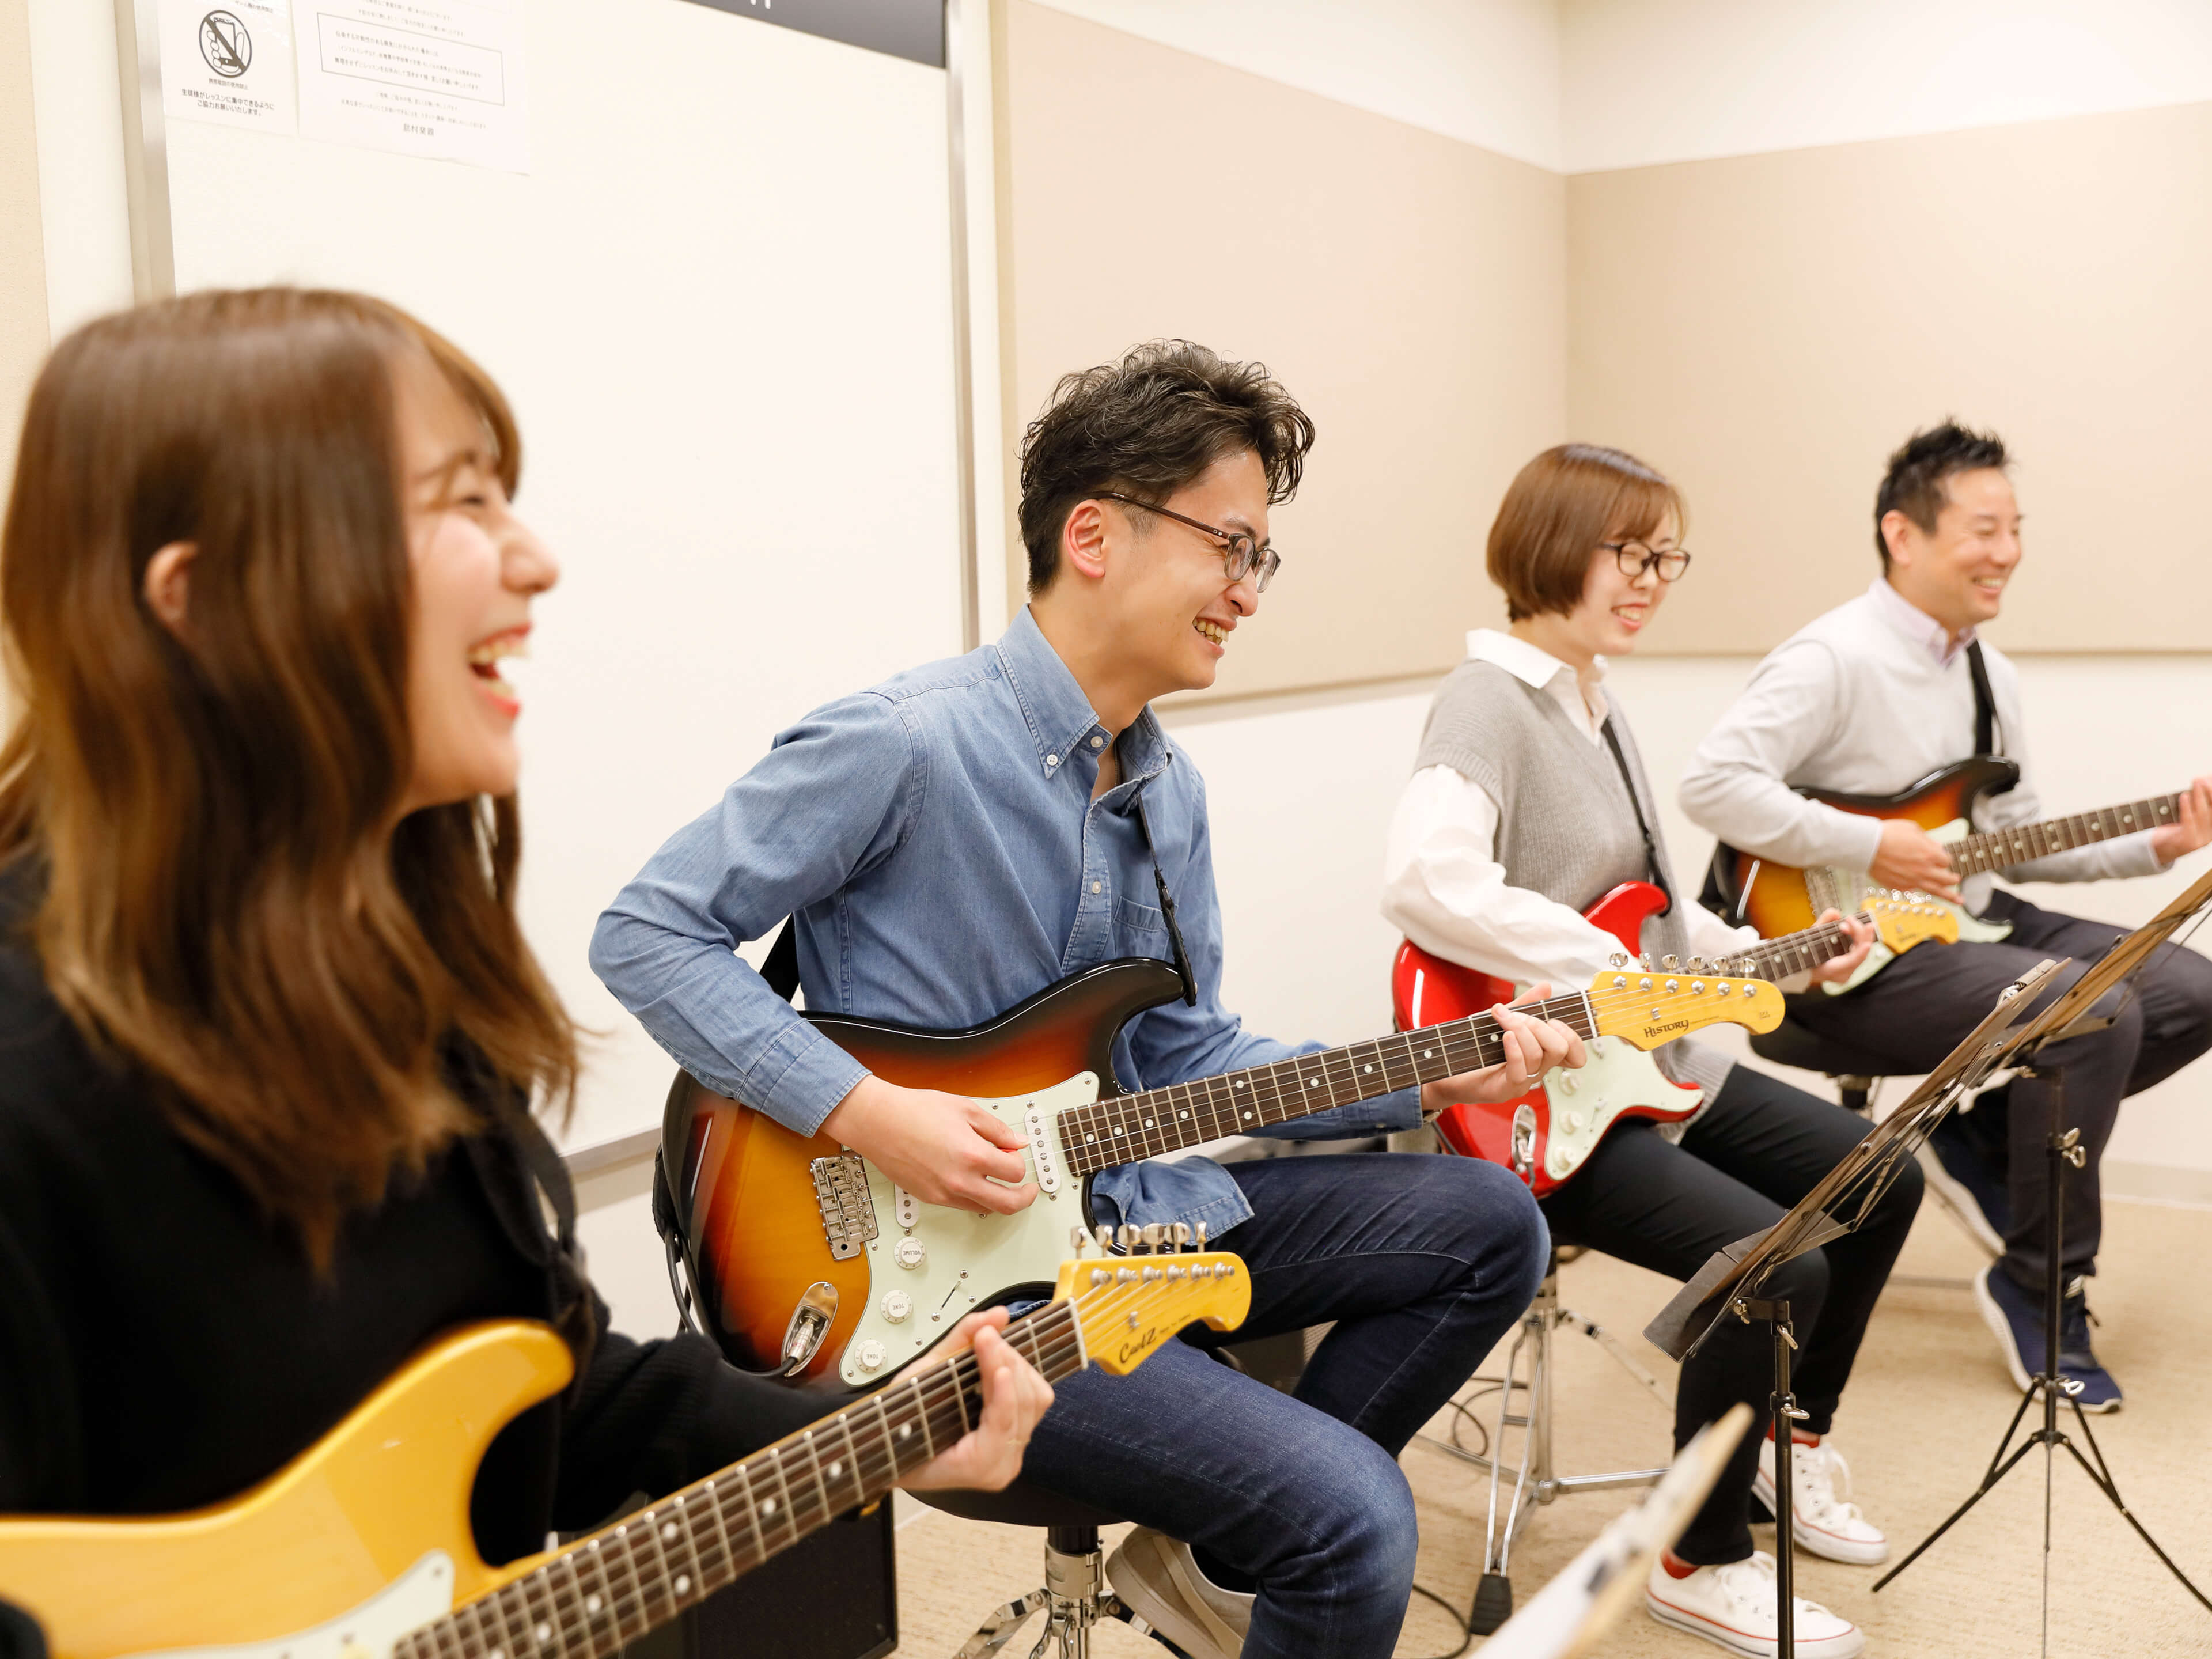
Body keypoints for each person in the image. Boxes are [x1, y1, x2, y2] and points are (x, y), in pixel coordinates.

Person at [0, 289, 1051, 1547]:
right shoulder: (29, 1080)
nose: (536, 559)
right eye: (460, 499)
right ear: (201, 597)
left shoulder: (386, 971)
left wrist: (884, 1438)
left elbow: (547, 1401)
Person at [592, 341, 1575, 1659]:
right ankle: (1291, 1533)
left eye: (1260, 558)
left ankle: (1219, 1557)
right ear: (1095, 534)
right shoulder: (902, 742)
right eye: (1232, 546)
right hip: (950, 1281)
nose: (1248, 592)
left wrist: (1426, 1074)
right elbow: (648, 931)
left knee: (1489, 1221)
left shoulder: (1168, 788)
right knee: (1358, 1520)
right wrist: (872, 1113)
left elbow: (1181, 1053)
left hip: (1122, 1218)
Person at [1381, 444, 1914, 1659]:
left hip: (1646, 1062)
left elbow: (1654, 921)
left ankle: (1786, 1445)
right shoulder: (1489, 699)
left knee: (1881, 1174)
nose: (1654, 579)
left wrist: (1782, 950)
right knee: (1773, 1268)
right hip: (1543, 1095)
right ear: (1554, 543)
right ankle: (1697, 1557)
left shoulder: (1596, 696)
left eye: (1668, 558)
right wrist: (1594, 963)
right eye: (1635, 553)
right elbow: (1424, 877)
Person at [1679, 421, 2212, 1412]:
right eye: (1983, 528)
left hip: (1963, 921)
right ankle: (2044, 1287)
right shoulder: (1831, 657)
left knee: (2189, 989)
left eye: (2015, 528)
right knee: (2090, 1007)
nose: (2006, 551)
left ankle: (1980, 1129)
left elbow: (2017, 837)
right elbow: (1712, 786)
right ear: (1903, 534)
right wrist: (1868, 845)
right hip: (1843, 960)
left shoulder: (1985, 672)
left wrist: (2159, 844)